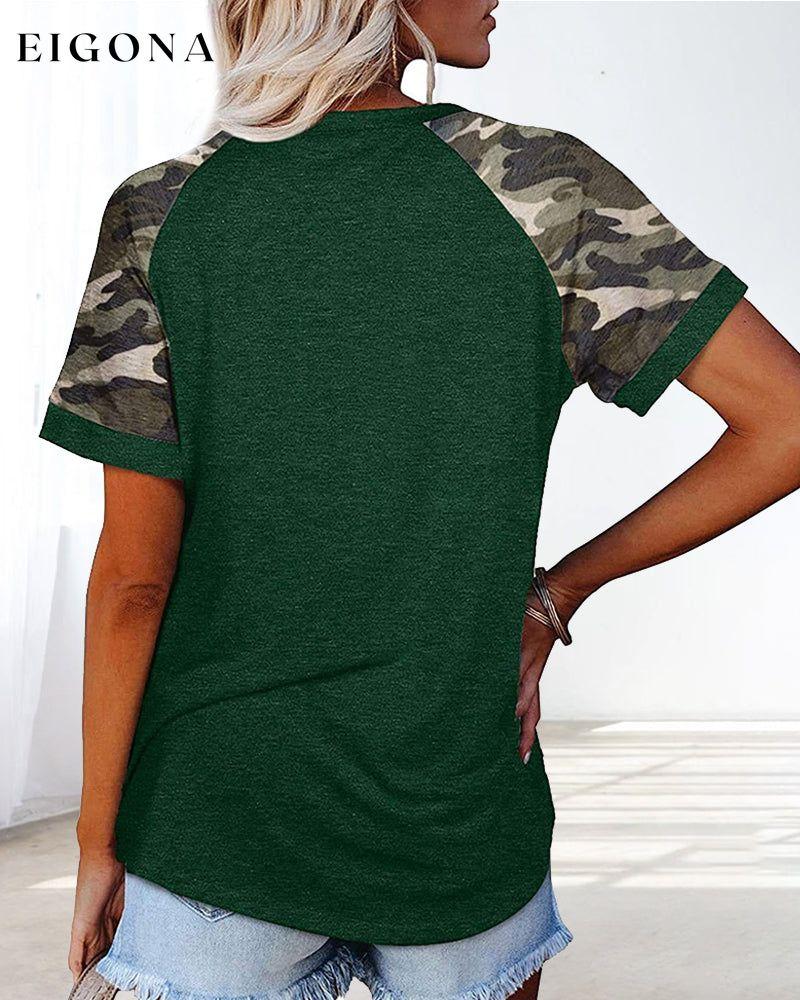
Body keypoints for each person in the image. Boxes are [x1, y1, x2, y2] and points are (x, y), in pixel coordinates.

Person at [41, 2, 800, 999]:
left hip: (220, 817)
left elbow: (135, 582)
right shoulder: (545, 189)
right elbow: (785, 421)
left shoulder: (161, 210)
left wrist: (99, 839)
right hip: (458, 817)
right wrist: (558, 594)